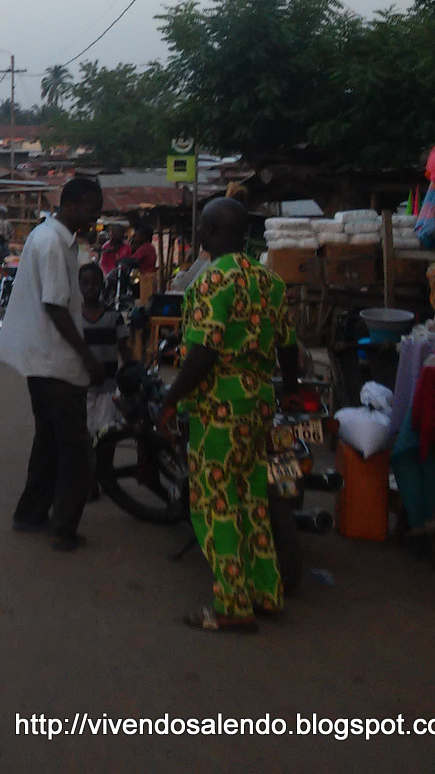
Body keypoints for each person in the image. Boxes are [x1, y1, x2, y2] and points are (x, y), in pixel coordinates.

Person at [157, 197, 300, 633]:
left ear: (208, 231)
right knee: (252, 499)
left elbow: (202, 353)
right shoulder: (269, 280)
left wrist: (169, 399)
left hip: (219, 405)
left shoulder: (212, 280)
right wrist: (287, 394)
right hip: (258, 402)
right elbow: (289, 347)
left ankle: (232, 607)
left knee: (216, 504)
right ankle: (265, 593)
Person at [0, 177, 105, 552]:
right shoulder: (55, 243)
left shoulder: (49, 238)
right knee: (76, 447)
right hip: (55, 361)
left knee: (49, 441)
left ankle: (30, 514)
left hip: (41, 360)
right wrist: (88, 357)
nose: (97, 214)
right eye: (93, 206)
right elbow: (56, 306)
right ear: (71, 205)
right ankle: (63, 528)